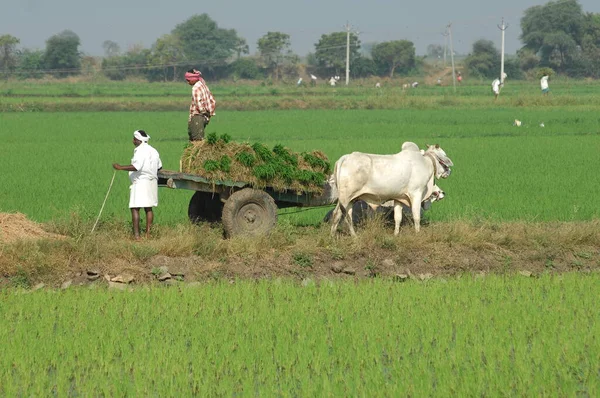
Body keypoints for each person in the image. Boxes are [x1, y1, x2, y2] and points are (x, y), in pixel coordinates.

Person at [113, 130, 162, 240]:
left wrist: (120, 167)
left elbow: (136, 167)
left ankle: (137, 237)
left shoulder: (140, 151)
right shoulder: (153, 150)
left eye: (134, 139)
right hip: (152, 181)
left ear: (138, 140)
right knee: (148, 208)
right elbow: (159, 167)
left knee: (135, 208)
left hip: (141, 182)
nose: (133, 141)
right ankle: (148, 235)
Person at [185, 69, 216, 141]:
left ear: (193, 79)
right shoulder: (203, 85)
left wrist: (203, 112)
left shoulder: (195, 88)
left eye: (188, 80)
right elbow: (212, 100)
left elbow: (198, 104)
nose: (188, 82)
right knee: (196, 140)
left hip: (198, 116)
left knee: (197, 140)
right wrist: (208, 113)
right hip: (204, 116)